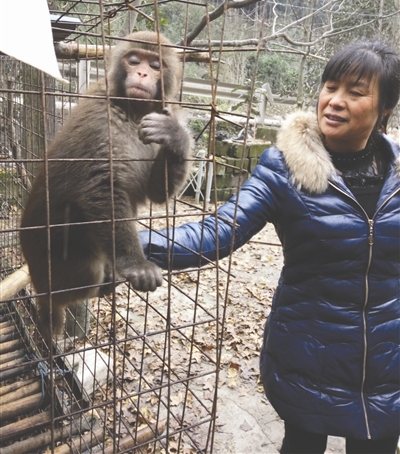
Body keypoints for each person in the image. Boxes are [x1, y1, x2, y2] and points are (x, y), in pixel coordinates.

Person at [140, 41, 400, 454]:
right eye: (330, 86)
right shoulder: (283, 168)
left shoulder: (397, 171)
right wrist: (129, 244)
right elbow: (218, 229)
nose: (334, 101)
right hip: (309, 354)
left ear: (384, 107)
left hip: (387, 362)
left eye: (355, 91)